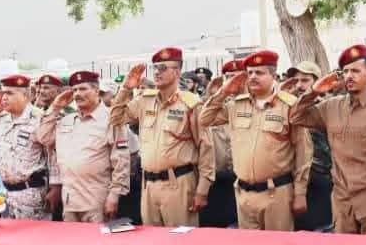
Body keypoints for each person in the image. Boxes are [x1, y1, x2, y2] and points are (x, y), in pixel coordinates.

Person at [289, 45, 366, 235]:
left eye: (355, 71)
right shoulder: (331, 107)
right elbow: (295, 117)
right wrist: (313, 91)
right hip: (342, 204)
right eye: (345, 71)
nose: (349, 76)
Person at [201, 50, 311, 231]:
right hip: (244, 194)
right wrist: (223, 92)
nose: (253, 77)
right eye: (250, 72)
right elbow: (204, 119)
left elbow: (303, 152)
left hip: (276, 193)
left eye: (259, 72)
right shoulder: (236, 105)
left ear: (273, 75)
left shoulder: (290, 105)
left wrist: (300, 193)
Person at [108, 47, 214, 228]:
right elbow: (115, 119)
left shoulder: (190, 104)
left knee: (179, 240)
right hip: (148, 185)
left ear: (177, 72)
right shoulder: (145, 100)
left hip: (178, 184)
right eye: (155, 68)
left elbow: (206, 147)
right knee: (152, 241)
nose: (157, 72)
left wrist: (202, 190)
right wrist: (125, 88)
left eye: (163, 68)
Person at [36, 71, 130, 223]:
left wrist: (114, 195)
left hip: (97, 200)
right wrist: (55, 107)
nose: (77, 94)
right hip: (70, 200)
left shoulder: (111, 120)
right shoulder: (67, 120)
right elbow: (43, 137)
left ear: (96, 91)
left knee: (97, 238)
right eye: (74, 90)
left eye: (83, 89)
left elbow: (121, 161)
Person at [0, 74, 58, 220]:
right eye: (2, 93)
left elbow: (53, 155)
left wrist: (56, 187)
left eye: (9, 93)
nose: (4, 98)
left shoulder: (40, 119)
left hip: (30, 195)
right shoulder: (1, 119)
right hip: (3, 194)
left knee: (31, 234)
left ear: (25, 96)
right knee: (6, 233)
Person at [284, 61, 334, 231]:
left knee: (319, 232)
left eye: (305, 80)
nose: (299, 85)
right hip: (292, 182)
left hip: (320, 181)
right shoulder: (287, 107)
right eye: (296, 80)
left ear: (317, 81)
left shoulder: (328, 107)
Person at [199, 58, 243, 228]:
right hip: (217, 179)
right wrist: (212, 95)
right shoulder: (219, 105)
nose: (232, 81)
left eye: (236, 76)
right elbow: (203, 119)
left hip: (245, 179)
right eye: (228, 77)